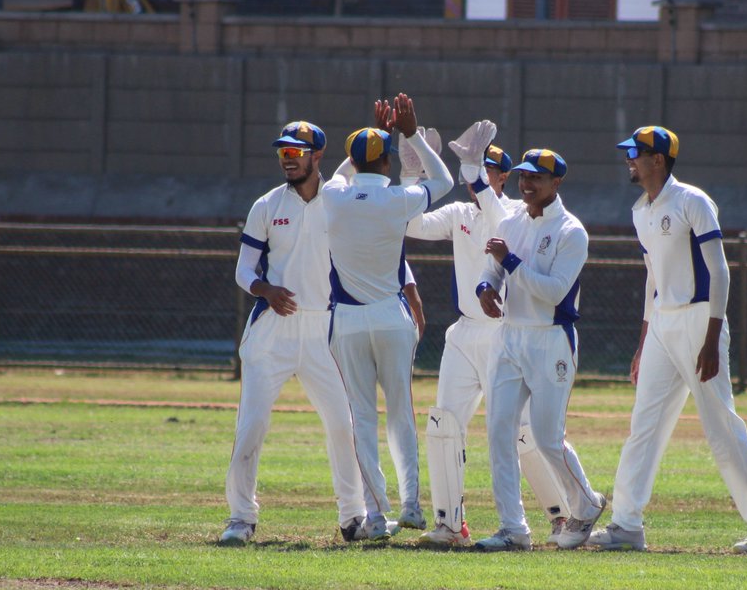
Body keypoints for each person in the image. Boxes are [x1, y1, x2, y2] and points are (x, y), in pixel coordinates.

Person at [588, 126, 747, 553]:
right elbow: (653, 280)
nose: (629, 159)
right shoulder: (639, 210)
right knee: (643, 426)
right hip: (663, 326)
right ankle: (626, 525)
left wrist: (712, 334)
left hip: (700, 320)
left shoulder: (692, 201)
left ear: (659, 160)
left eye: (637, 153)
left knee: (721, 425)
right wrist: (643, 341)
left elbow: (719, 271)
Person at [404, 123, 576, 547]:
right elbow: (412, 226)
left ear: (501, 178)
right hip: (464, 333)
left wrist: (471, 170)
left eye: (492, 170)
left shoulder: (515, 214)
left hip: (506, 334)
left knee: (525, 432)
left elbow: (498, 218)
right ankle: (449, 523)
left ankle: (562, 514)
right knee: (444, 421)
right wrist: (410, 178)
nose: (486, 179)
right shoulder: (460, 214)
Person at [220, 120, 368, 545]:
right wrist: (265, 289)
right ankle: (240, 518)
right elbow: (243, 269)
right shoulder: (266, 205)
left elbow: (363, 168)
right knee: (252, 425)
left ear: (316, 156)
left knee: (343, 424)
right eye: (282, 152)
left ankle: (353, 516)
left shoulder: (338, 202)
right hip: (273, 329)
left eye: (295, 152)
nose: (287, 159)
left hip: (325, 329)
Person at [322, 93, 454, 541]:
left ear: (354, 161)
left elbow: (345, 173)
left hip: (348, 319)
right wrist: (410, 132)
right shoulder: (399, 199)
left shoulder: (333, 198)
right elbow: (445, 179)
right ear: (389, 164)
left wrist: (371, 135)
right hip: (392, 317)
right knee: (401, 412)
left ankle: (377, 517)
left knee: (362, 416)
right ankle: (412, 505)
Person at [473, 149, 606, 552]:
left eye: (537, 178)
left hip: (551, 340)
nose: (527, 184)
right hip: (511, 336)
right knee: (498, 431)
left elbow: (552, 292)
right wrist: (485, 288)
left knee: (547, 438)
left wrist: (508, 261)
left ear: (557, 183)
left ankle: (586, 505)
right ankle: (513, 529)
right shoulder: (512, 220)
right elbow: (492, 268)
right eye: (523, 178)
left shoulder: (571, 231)